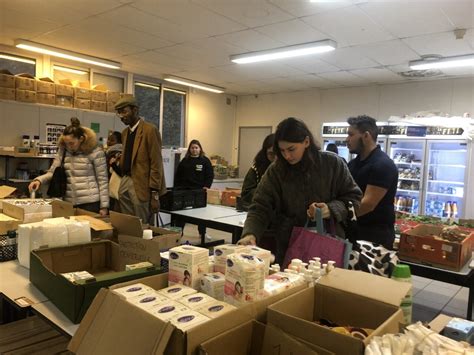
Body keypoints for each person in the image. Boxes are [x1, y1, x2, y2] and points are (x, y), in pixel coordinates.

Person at [238, 117, 362, 264]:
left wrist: (331, 209)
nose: (287, 156)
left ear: (306, 142)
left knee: (323, 284)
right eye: (282, 151)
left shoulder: (332, 164)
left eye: (291, 149)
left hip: (327, 247)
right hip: (289, 246)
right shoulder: (277, 170)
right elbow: (260, 206)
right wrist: (250, 233)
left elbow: (355, 199)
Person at [29, 117, 109, 215]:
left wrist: (104, 207)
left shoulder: (95, 152)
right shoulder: (63, 151)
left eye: (71, 143)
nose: (69, 146)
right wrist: (39, 180)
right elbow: (53, 172)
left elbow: (103, 180)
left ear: (81, 139)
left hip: (90, 203)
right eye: (66, 143)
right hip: (68, 202)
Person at [346, 115, 398, 249]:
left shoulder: (382, 165)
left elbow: (367, 204)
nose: (347, 139)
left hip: (374, 240)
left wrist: (336, 213)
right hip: (354, 232)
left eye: (351, 135)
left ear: (366, 135)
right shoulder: (353, 164)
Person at [113, 96, 166, 223]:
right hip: (125, 179)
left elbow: (156, 163)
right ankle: (130, 242)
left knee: (142, 222)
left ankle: (142, 243)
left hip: (142, 183)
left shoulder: (149, 130)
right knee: (128, 222)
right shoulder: (125, 133)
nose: (121, 116)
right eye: (119, 112)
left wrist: (154, 193)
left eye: (124, 111)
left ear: (135, 110)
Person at [174, 139, 214, 239]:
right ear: (189, 149)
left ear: (200, 149)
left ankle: (202, 233)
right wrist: (177, 188)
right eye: (192, 148)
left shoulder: (205, 161)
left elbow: (210, 175)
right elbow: (178, 175)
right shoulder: (185, 161)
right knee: (181, 213)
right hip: (185, 191)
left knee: (201, 214)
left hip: (199, 191)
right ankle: (179, 232)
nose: (194, 150)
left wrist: (206, 186)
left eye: (196, 147)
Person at [240, 133, 275, 211]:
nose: (275, 158)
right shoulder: (256, 169)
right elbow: (246, 194)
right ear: (265, 153)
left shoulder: (290, 168)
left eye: (279, 154)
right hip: (259, 210)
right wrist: (265, 190)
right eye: (271, 154)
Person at [106, 131, 123, 212]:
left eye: (112, 140)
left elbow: (120, 172)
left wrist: (113, 164)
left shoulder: (114, 152)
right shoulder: (109, 151)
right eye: (108, 139)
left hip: (114, 186)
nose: (108, 142)